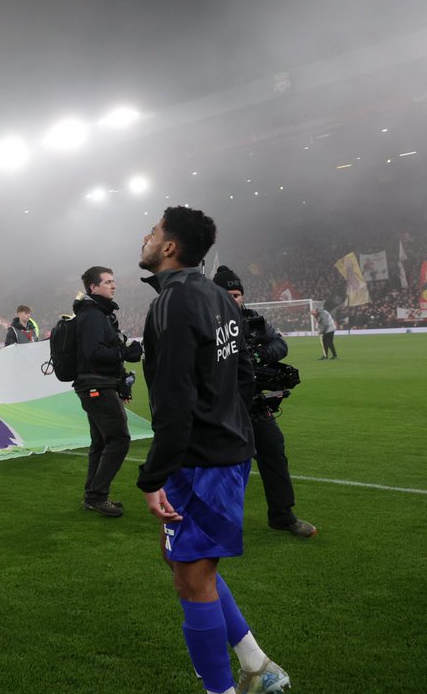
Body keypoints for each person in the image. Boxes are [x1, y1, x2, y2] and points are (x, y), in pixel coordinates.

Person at [137, 206, 290, 694]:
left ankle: (224, 688)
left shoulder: (173, 303)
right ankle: (256, 663)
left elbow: (174, 400)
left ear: (169, 246)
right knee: (182, 562)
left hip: (200, 461)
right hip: (223, 449)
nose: (146, 238)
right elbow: (243, 373)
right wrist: (228, 425)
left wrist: (153, 476)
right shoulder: (218, 295)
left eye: (153, 232)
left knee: (192, 578)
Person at [213, 266, 316, 539]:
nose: (233, 299)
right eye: (227, 295)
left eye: (236, 295)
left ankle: (282, 516)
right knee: (223, 466)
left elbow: (280, 345)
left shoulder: (254, 321)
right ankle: (218, 521)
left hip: (256, 405)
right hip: (222, 409)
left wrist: (256, 356)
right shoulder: (204, 322)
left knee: (274, 453)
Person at [72, 266, 143, 517]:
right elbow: (94, 352)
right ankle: (97, 496)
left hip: (95, 383)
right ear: (93, 287)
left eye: (113, 281)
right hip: (96, 384)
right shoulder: (93, 315)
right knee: (119, 439)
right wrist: (126, 352)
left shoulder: (96, 313)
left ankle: (92, 495)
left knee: (101, 441)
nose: (114, 285)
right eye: (108, 282)